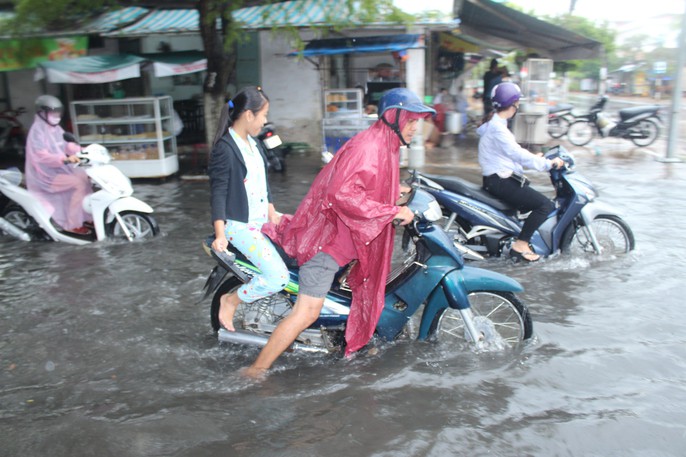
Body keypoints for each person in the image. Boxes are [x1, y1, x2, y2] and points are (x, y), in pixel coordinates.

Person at [247, 88, 435, 379]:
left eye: (416, 121)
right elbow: (342, 194)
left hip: (344, 242)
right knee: (306, 312)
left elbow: (368, 186)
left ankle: (340, 342)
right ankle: (256, 370)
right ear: (393, 117)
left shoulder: (384, 145)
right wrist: (391, 212)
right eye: (410, 120)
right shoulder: (369, 148)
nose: (414, 127)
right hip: (327, 246)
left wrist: (398, 194)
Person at [208, 86, 289, 332]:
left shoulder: (254, 144)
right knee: (279, 277)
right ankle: (231, 300)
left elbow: (263, 183)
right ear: (248, 115)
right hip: (239, 226)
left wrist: (273, 212)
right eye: (263, 115)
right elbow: (218, 192)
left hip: (260, 221)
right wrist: (220, 234)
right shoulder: (225, 148)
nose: (265, 121)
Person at [477, 82, 564, 263]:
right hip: (501, 181)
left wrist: (536, 157)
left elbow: (509, 154)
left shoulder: (495, 125)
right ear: (514, 104)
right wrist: (547, 164)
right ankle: (521, 244)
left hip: (496, 179)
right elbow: (517, 154)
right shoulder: (499, 129)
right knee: (544, 205)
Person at [24, 95, 92, 234]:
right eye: (53, 112)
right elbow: (41, 156)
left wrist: (84, 151)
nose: (56, 115)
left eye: (58, 112)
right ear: (42, 113)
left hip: (59, 170)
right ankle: (73, 225)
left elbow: (67, 145)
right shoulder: (37, 132)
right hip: (44, 176)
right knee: (78, 184)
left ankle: (86, 217)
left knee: (85, 179)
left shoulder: (56, 129)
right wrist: (64, 159)